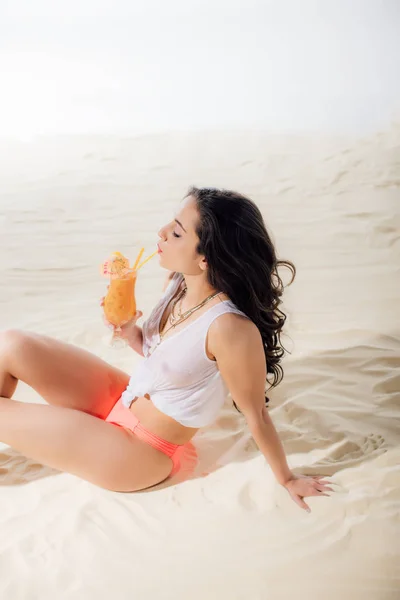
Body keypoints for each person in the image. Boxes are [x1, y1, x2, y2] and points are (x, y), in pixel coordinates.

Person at [0, 186, 333, 511]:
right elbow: (164, 358)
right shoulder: (177, 284)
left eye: (176, 233)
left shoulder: (229, 328)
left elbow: (256, 415)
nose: (161, 233)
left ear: (205, 258)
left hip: (140, 452)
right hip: (121, 401)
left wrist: (287, 479)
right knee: (11, 344)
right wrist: (129, 329)